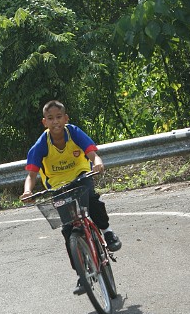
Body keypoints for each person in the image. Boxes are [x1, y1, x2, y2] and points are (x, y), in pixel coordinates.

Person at [20, 100, 121, 295]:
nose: (55, 121)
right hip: (57, 186)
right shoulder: (41, 144)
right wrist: (27, 191)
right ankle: (82, 274)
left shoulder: (74, 132)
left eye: (59, 117)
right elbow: (31, 175)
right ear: (44, 122)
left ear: (66, 118)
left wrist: (97, 162)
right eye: (50, 118)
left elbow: (92, 154)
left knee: (92, 199)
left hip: (81, 176)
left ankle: (107, 232)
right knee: (68, 230)